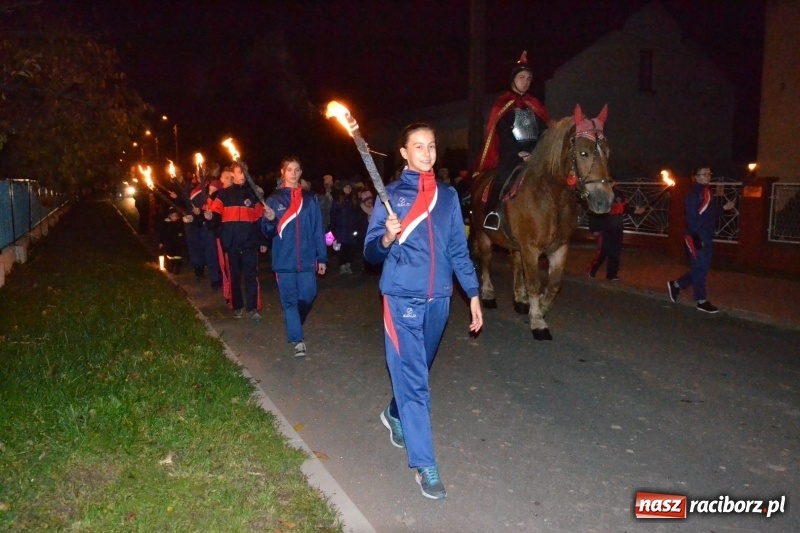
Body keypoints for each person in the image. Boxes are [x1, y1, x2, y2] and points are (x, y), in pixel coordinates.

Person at [364, 123, 483, 500]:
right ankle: (425, 465)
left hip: (439, 300)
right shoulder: (391, 196)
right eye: (418, 146)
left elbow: (458, 249)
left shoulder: (448, 196)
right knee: (416, 383)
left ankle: (394, 413)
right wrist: (386, 236)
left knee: (417, 370)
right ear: (404, 152)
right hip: (401, 299)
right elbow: (370, 253)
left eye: (431, 146)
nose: (427, 153)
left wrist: (473, 293)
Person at [261, 156, 327, 358]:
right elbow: (266, 232)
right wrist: (270, 220)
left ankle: (294, 321)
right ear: (283, 172)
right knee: (289, 302)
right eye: (289, 169)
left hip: (307, 259)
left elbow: (318, 229)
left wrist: (322, 257)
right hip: (284, 260)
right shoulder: (274, 200)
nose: (293, 173)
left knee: (308, 294)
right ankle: (298, 340)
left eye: (297, 169)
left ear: (301, 173)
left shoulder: (310, 199)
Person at [476, 51, 549, 230]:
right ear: (513, 80)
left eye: (529, 78)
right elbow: (503, 132)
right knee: (502, 178)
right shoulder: (503, 103)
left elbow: (543, 130)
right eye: (521, 77)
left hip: (535, 153)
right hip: (511, 153)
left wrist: (537, 151)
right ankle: (492, 213)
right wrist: (519, 152)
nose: (526, 81)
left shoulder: (534, 105)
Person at [667, 166, 735, 313]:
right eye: (704, 174)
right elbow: (691, 218)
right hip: (696, 236)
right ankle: (701, 300)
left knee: (701, 268)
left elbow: (710, 212)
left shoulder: (707, 192)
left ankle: (676, 285)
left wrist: (724, 208)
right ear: (696, 177)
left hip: (707, 235)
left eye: (709, 174)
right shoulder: (693, 195)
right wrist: (697, 237)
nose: (708, 176)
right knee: (700, 269)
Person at [206, 162, 265, 320]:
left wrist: (262, 241)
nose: (243, 175)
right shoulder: (223, 195)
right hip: (231, 243)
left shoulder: (253, 195)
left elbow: (260, 220)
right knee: (234, 277)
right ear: (232, 173)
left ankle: (253, 307)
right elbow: (215, 217)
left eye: (245, 172)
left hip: (249, 243)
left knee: (251, 276)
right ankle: (237, 306)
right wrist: (210, 217)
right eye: (240, 172)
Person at [586, 183, 646, 281]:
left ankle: (611, 275)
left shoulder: (620, 194)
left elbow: (626, 209)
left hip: (617, 228)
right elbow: (593, 214)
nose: (610, 183)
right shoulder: (599, 195)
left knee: (615, 252)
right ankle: (592, 270)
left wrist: (637, 211)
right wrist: (594, 228)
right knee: (602, 252)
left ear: (615, 182)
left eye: (612, 181)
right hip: (605, 228)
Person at [330, 181, 360, 274]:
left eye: (349, 187)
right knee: (341, 247)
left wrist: (356, 226)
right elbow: (333, 214)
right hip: (341, 228)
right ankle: (342, 265)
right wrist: (333, 228)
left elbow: (356, 214)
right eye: (346, 187)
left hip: (351, 229)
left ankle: (348, 264)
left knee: (350, 247)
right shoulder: (338, 200)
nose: (348, 189)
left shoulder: (353, 200)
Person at [157, 207, 185, 274]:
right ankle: (171, 266)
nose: (174, 217)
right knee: (170, 255)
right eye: (173, 216)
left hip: (177, 243)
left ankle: (176, 267)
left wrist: (181, 237)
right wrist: (161, 242)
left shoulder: (179, 223)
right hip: (169, 243)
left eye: (175, 216)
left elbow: (182, 231)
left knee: (178, 255)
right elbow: (162, 233)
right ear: (169, 216)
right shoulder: (165, 224)